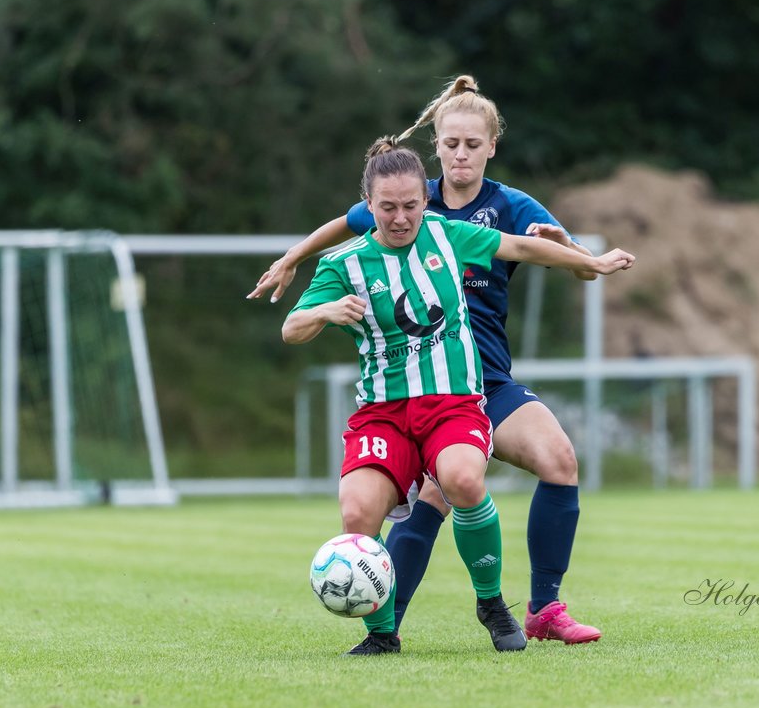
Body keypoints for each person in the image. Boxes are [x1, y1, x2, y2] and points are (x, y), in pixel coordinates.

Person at [253, 76, 605, 645]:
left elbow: (578, 267)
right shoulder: (406, 197)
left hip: (483, 378)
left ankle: (543, 609)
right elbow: (343, 227)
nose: (461, 153)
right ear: (434, 144)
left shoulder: (510, 207)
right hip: (408, 389)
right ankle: (384, 627)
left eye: (473, 143)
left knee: (556, 460)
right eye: (451, 143)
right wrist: (293, 258)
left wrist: (569, 246)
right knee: (437, 496)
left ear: (493, 146)